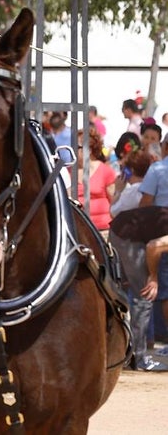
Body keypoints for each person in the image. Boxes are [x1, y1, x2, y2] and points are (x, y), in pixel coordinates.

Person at [109, 151, 168, 371]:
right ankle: (139, 358)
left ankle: (124, 353)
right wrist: (152, 277)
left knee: (123, 293)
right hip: (126, 236)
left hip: (123, 232)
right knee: (145, 295)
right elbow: (154, 247)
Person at [75, 126, 117, 234]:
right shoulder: (68, 173)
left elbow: (115, 202)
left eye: (77, 147)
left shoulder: (105, 171)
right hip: (78, 231)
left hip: (103, 230)